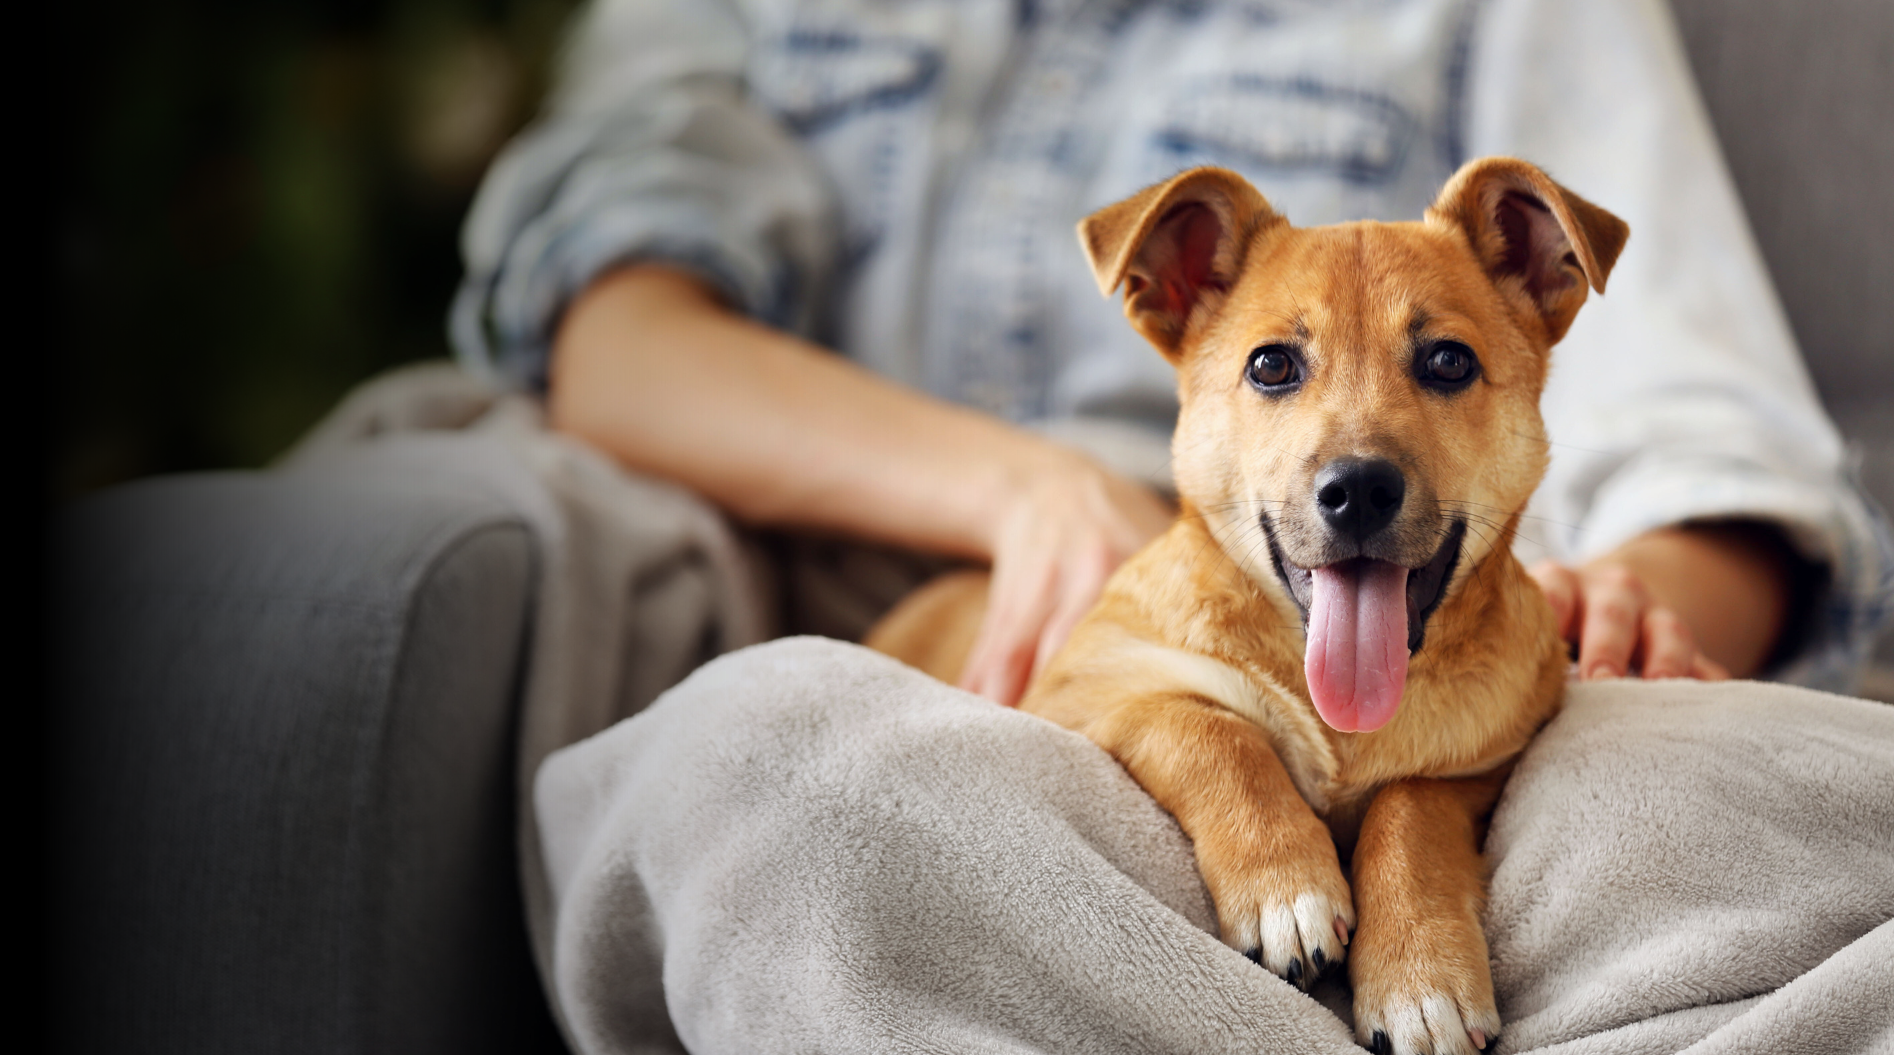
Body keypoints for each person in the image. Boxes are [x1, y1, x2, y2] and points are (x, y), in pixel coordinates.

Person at [453, 0, 1886, 708]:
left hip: (1358, 620)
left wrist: (1624, 613)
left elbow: (1714, 438)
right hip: (816, 592)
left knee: (1675, 823)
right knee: (805, 787)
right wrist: (1028, 492)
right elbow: (619, 342)